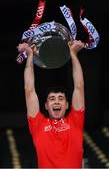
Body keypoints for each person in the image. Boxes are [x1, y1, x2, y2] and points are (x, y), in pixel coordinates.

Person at [18, 39, 85, 168]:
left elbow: (79, 87)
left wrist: (73, 54)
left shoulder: (75, 121)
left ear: (67, 105)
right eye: (52, 98)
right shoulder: (38, 124)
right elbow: (29, 90)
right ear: (46, 106)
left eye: (61, 98)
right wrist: (30, 56)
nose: (56, 101)